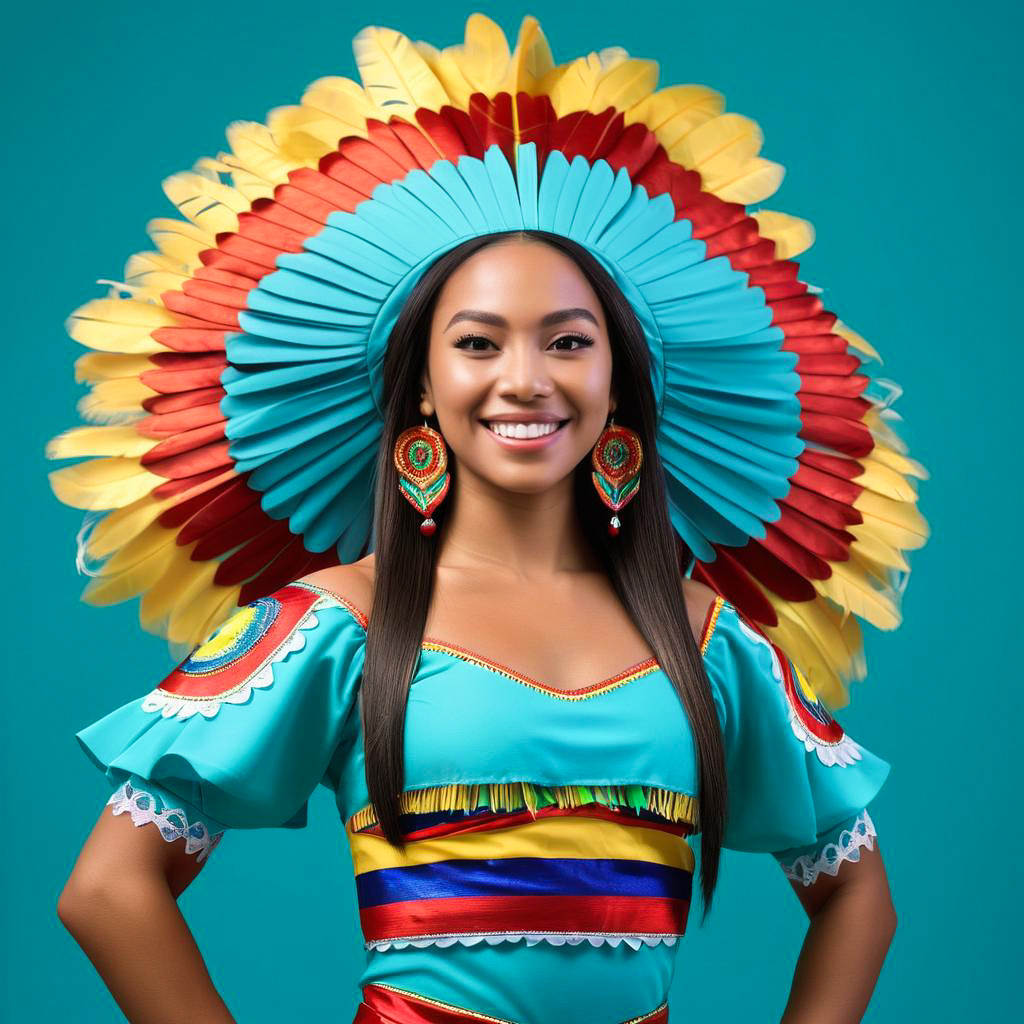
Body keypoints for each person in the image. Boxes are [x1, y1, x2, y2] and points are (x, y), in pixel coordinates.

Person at [49, 15, 925, 1024]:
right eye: (477, 342)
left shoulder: (708, 639)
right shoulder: (335, 627)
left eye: (567, 341)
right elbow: (108, 890)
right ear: (418, 384)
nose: (525, 380)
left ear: (615, 381)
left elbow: (857, 893)